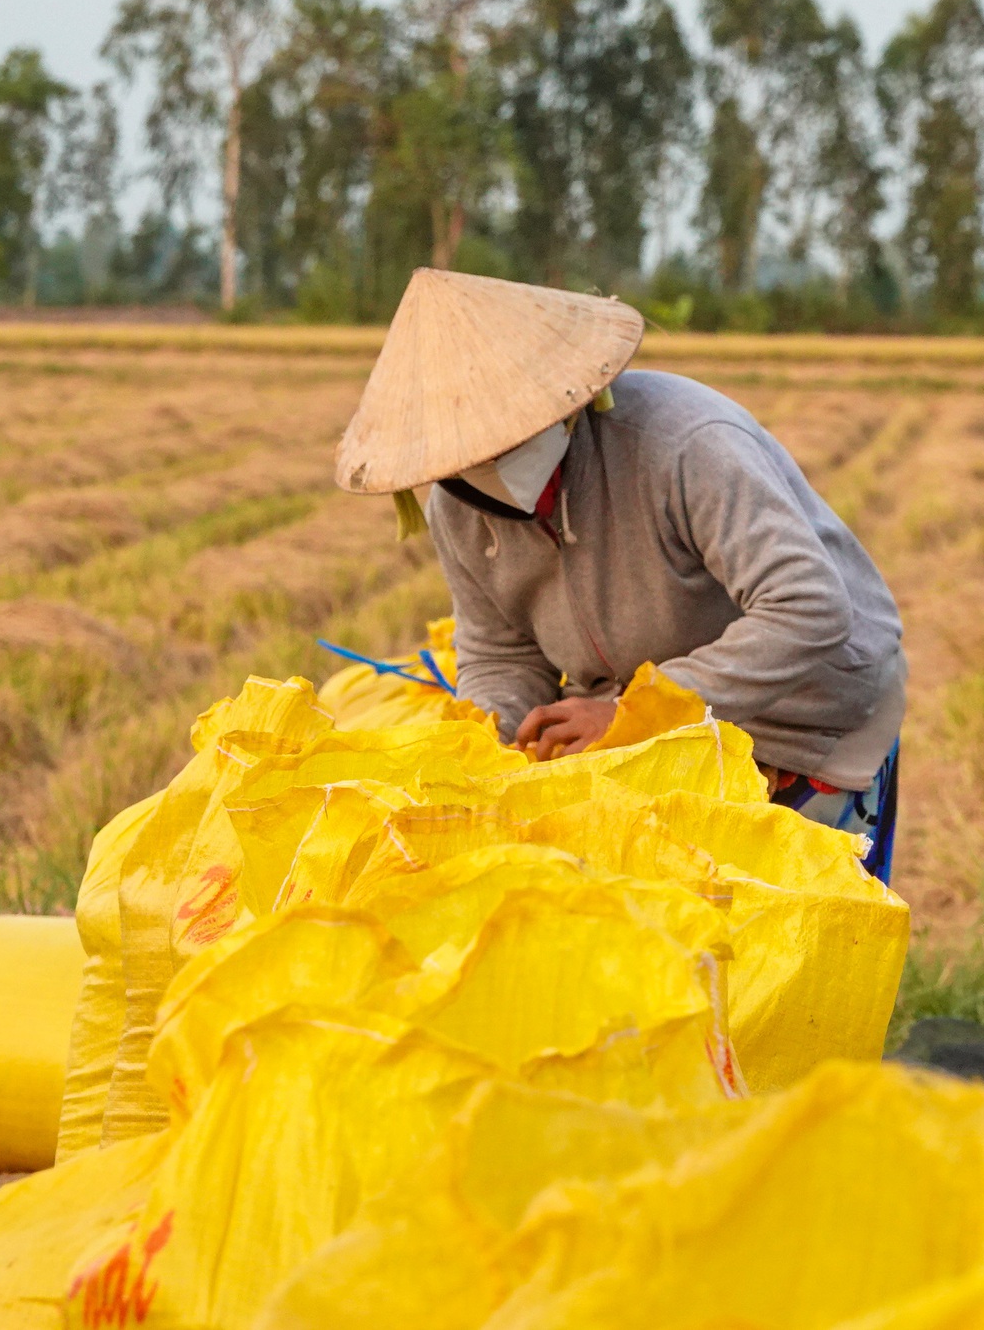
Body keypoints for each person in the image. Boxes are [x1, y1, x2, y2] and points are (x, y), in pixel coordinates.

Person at [334, 268, 907, 880]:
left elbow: (806, 607)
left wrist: (633, 713)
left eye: (503, 438)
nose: (487, 462)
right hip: (649, 732)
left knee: (773, 925)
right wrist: (489, 748)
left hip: (802, 721)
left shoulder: (685, 445)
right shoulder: (458, 511)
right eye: (465, 452)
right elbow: (501, 652)